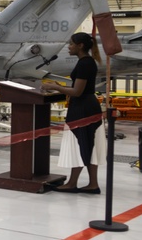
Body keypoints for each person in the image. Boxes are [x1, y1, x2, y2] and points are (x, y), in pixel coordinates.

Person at [43, 32, 104, 194]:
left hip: (83, 107)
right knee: (88, 144)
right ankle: (92, 184)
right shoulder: (87, 62)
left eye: (71, 44)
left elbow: (77, 91)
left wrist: (55, 87)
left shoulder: (85, 64)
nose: (68, 47)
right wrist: (59, 84)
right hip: (88, 105)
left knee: (80, 143)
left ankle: (72, 183)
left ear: (80, 46)